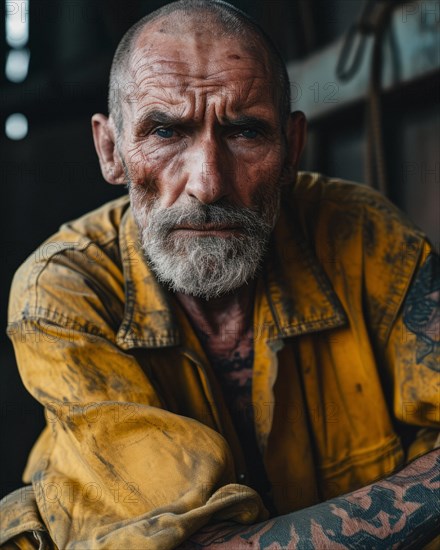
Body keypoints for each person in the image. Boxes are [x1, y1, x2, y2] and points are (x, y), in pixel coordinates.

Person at [1, 0, 439, 548]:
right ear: (110, 150)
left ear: (292, 150)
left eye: (245, 132)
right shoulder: (63, 290)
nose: (208, 184)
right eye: (165, 131)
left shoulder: (368, 240)